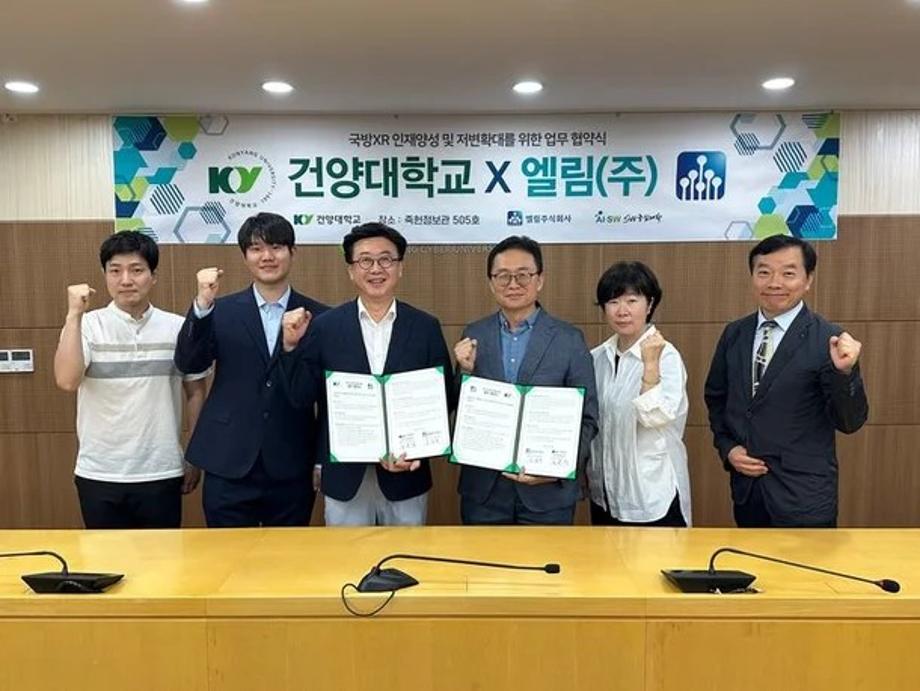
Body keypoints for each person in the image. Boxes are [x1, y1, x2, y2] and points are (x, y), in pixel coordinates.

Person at [281, 223, 452, 526]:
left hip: (405, 473)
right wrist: (290, 347)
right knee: (346, 554)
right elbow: (301, 396)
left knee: (406, 554)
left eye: (386, 259)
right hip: (345, 476)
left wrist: (417, 449)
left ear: (400, 267)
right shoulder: (325, 327)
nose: (376, 269)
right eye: (365, 260)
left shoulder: (425, 327)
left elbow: (442, 398)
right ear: (351, 270)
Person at [174, 212, 328, 527]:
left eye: (277, 247)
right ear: (245, 256)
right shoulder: (218, 311)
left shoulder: (320, 317)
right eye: (257, 248)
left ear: (292, 252)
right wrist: (201, 306)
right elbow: (190, 364)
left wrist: (322, 458)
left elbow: (327, 397)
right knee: (226, 553)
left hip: (292, 460)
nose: (267, 256)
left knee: (286, 553)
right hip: (227, 458)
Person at [704, 235, 868, 527]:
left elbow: (849, 421)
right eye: (764, 272)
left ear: (808, 280)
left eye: (788, 273)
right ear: (752, 277)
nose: (774, 283)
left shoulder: (828, 339)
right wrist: (728, 448)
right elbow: (717, 399)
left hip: (804, 497)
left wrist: (845, 372)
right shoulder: (735, 334)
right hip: (748, 492)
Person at [53, 231, 208, 529]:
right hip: (100, 472)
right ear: (105, 276)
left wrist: (193, 455)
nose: (126, 280)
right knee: (105, 557)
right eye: (115, 271)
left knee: (163, 558)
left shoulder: (177, 327)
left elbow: (196, 393)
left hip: (161, 470)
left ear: (153, 276)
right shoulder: (87, 326)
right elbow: (67, 381)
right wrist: (73, 315)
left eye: (136, 270)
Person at [453, 235, 598, 525]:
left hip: (547, 494)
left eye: (523, 275)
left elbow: (588, 417)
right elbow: (461, 410)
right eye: (503, 276)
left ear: (539, 280)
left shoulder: (569, 339)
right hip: (484, 492)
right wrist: (464, 372)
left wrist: (557, 468)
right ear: (491, 282)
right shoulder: (474, 334)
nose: (513, 284)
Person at [588, 261, 691, 527]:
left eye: (632, 301)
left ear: (650, 304)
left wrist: (650, 366)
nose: (622, 311)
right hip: (605, 492)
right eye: (613, 302)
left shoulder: (666, 356)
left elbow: (656, 417)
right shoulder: (597, 358)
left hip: (652, 494)